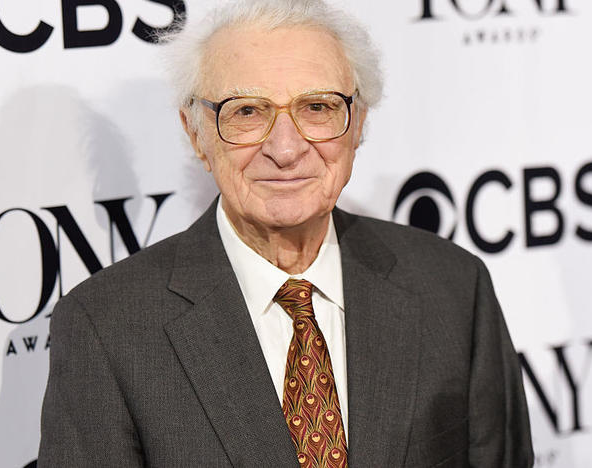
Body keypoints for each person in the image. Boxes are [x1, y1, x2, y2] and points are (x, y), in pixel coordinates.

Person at [38, 0, 534, 466]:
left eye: (317, 107)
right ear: (196, 133)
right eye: (247, 112)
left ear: (357, 123)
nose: (286, 148)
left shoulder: (452, 287)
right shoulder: (107, 328)